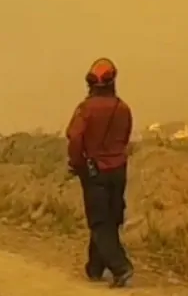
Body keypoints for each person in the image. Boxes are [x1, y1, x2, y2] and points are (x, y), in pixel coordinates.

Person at [66, 57, 134, 287]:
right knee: (110, 218)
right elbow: (125, 139)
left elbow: (75, 137)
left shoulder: (85, 109)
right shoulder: (123, 108)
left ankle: (120, 267)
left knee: (99, 222)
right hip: (119, 170)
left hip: (95, 172)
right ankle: (94, 268)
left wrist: (78, 164)